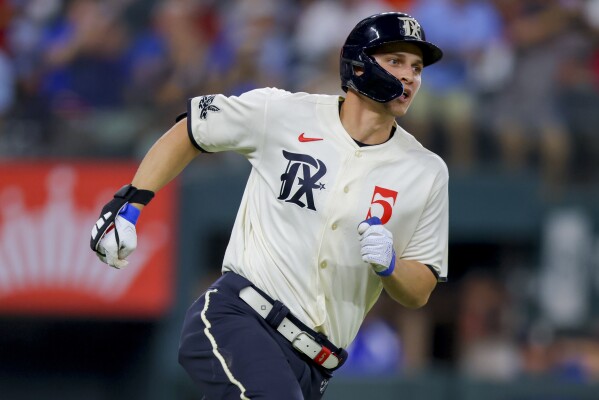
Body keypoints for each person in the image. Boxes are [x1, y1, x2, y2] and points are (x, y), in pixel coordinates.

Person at [90, 12, 448, 400]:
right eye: (396, 61)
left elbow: (420, 290)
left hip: (314, 368)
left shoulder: (426, 171)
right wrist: (131, 202)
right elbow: (194, 127)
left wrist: (391, 265)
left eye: (416, 67)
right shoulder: (284, 112)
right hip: (240, 318)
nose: (410, 76)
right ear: (358, 66)